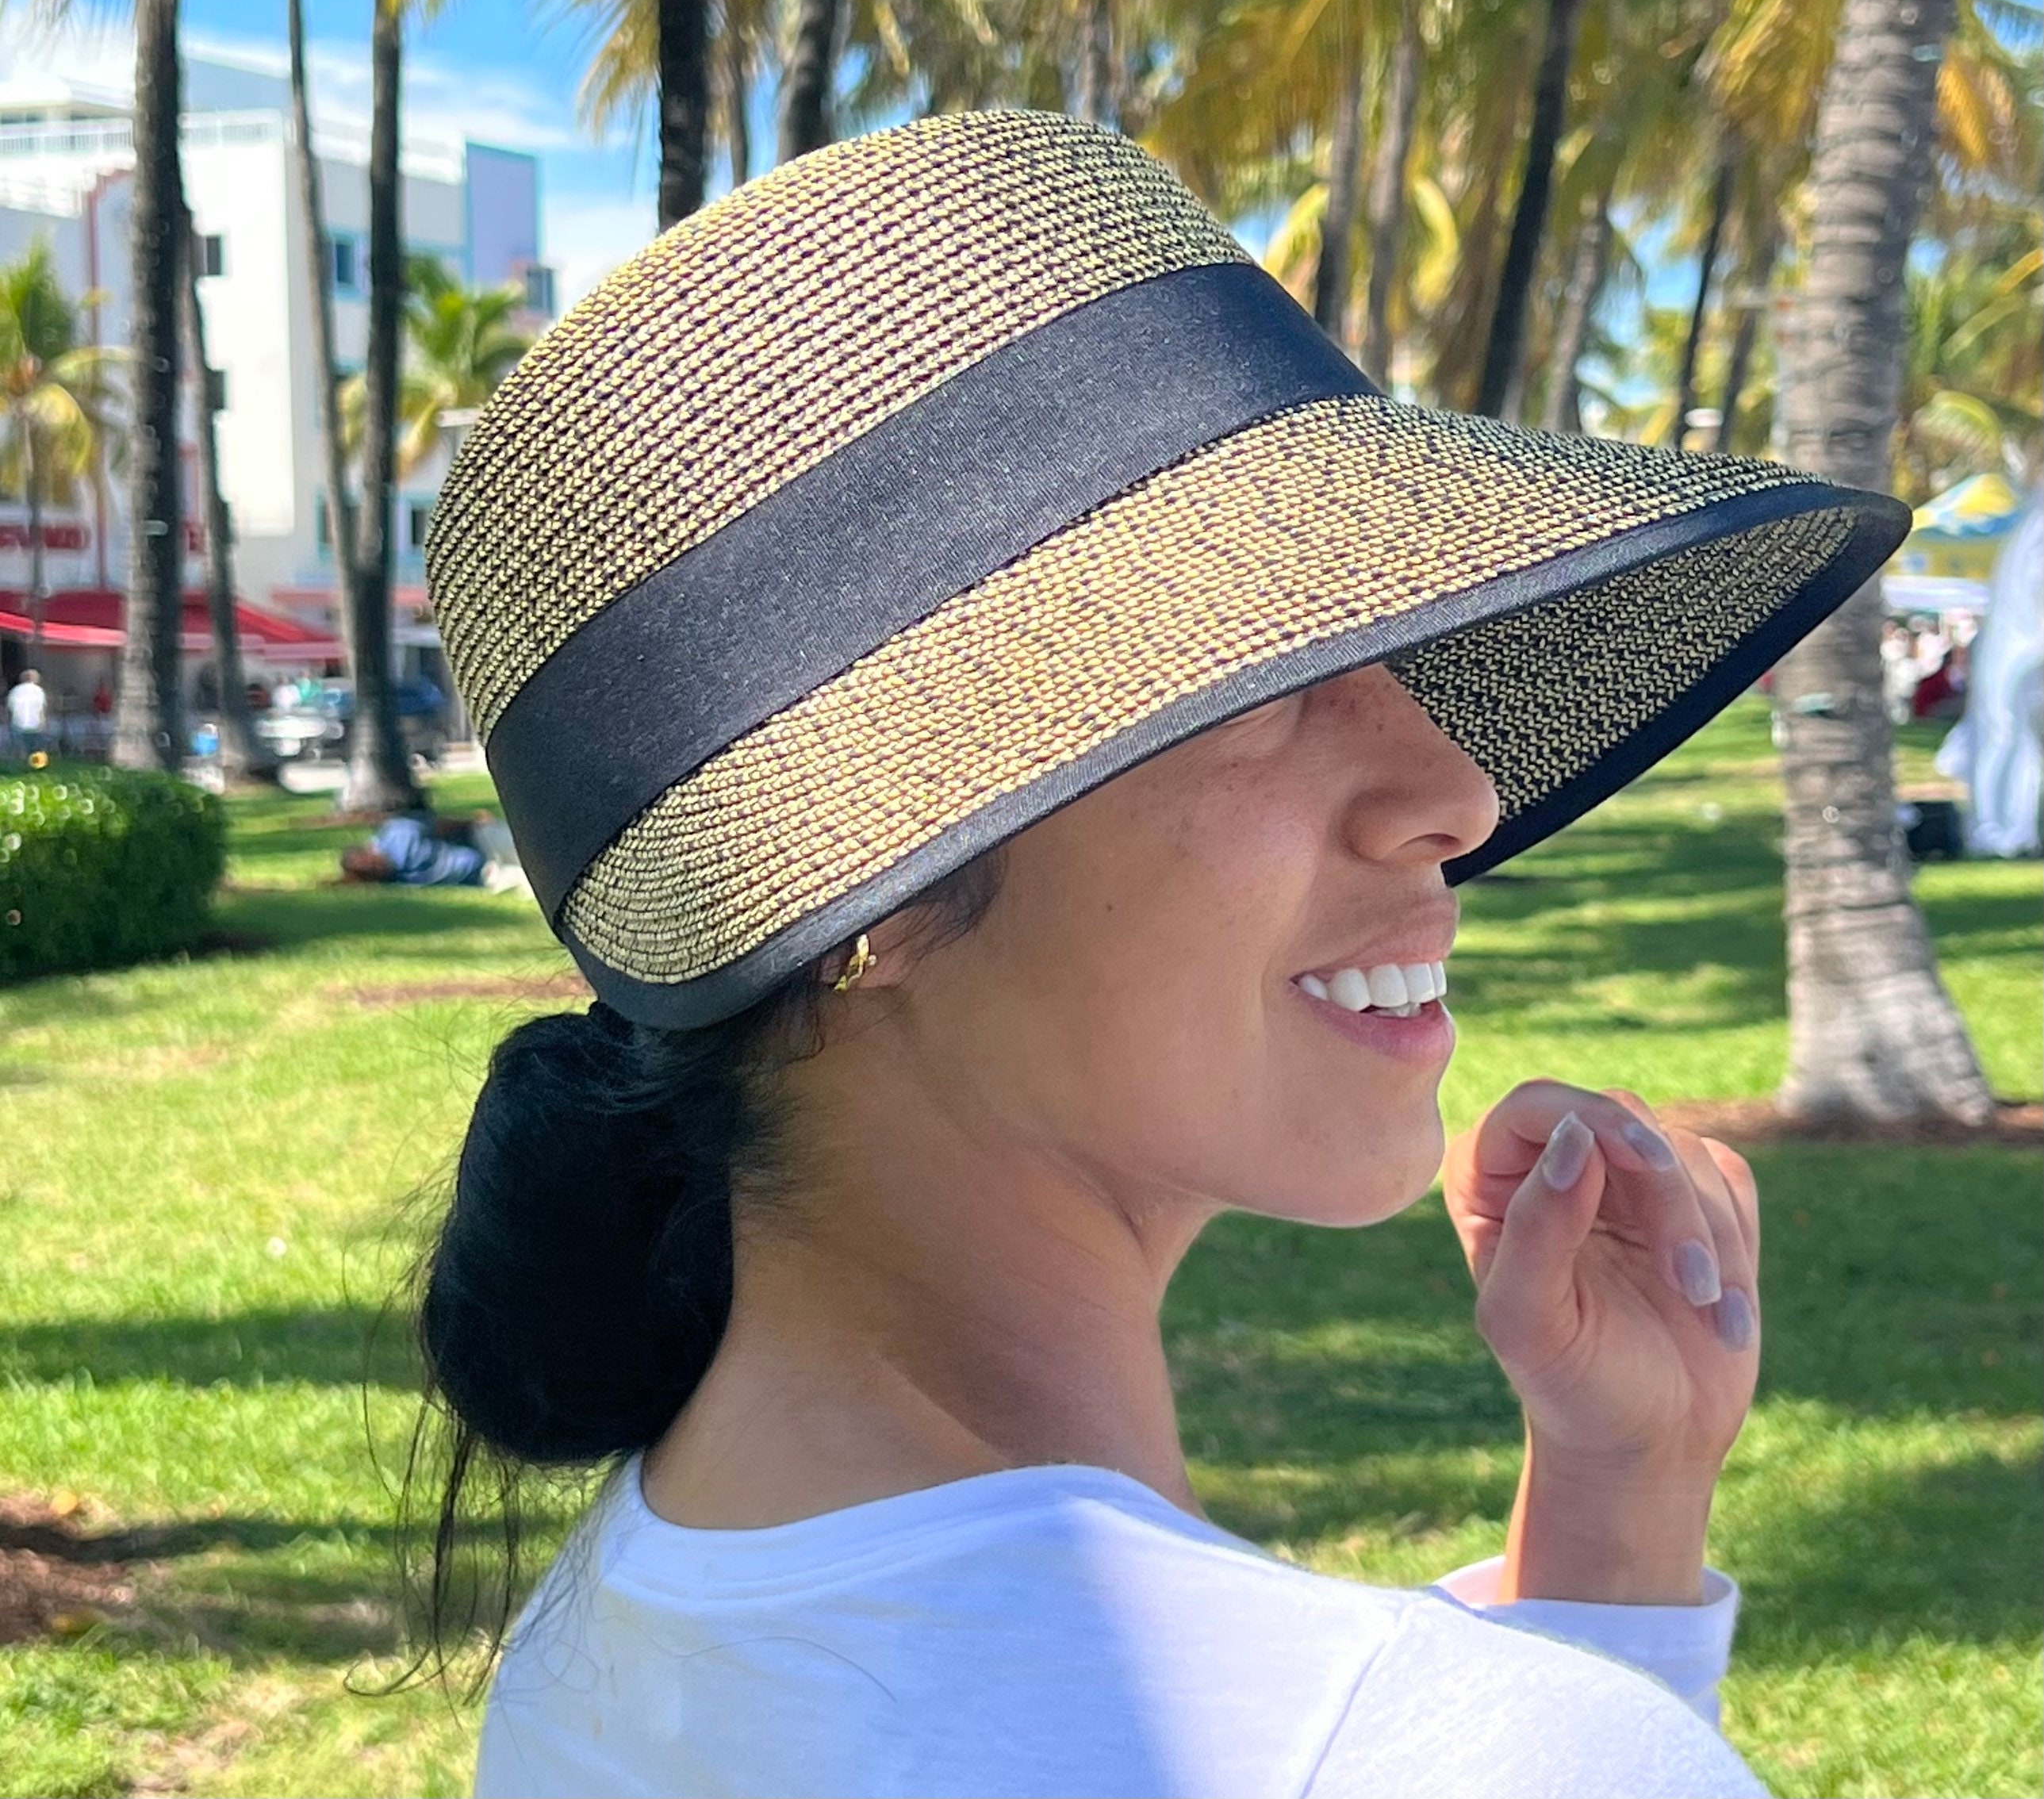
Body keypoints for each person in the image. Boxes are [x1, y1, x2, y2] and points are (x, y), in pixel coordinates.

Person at [412, 113, 1909, 1799]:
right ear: (861, 891)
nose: (1459, 791)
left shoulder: (610, 1635)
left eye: (1400, 650)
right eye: (1264, 686)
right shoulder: (1427, 1751)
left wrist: (1618, 1508)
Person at [339, 809, 527, 893]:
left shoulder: (396, 833)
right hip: (486, 873)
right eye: (371, 871)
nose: (376, 867)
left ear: (368, 851)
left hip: (481, 841)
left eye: (370, 862)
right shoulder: (394, 878)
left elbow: (439, 826)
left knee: (526, 845)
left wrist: (474, 824)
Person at [6, 669, 48, 760]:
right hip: (35, 724)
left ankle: (21, 766)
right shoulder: (38, 691)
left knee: (21, 749)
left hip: (18, 724)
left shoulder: (15, 691)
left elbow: (10, 709)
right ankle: (35, 766)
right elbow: (41, 709)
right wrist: (44, 723)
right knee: (36, 749)